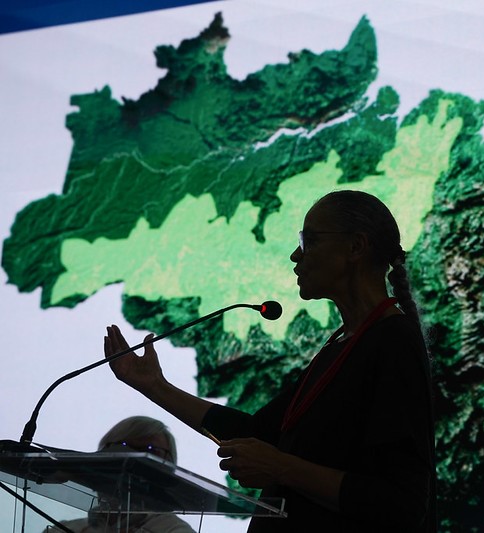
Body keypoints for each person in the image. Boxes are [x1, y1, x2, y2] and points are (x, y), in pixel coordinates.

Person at [104, 190, 437, 532]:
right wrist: (154, 386)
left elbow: (401, 503)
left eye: (310, 241)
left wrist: (280, 467)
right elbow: (258, 435)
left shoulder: (393, 340)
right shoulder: (341, 344)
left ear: (355, 247)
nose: (296, 255)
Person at [47, 416, 195, 533]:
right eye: (122, 448)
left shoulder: (174, 530)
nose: (133, 463)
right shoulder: (64, 530)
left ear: (168, 473)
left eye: (151, 452)